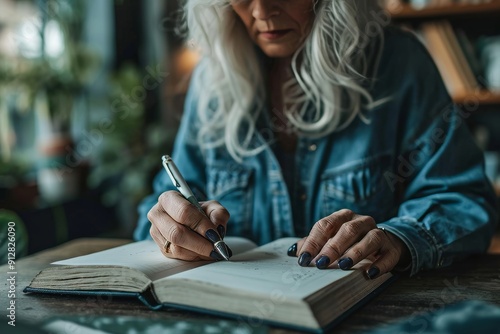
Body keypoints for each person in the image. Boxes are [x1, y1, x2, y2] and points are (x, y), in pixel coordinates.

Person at [134, 0, 498, 278]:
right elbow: (168, 200)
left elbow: (464, 200)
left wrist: (398, 239)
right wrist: (172, 224)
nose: (262, 11)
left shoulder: (400, 64)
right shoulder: (212, 79)